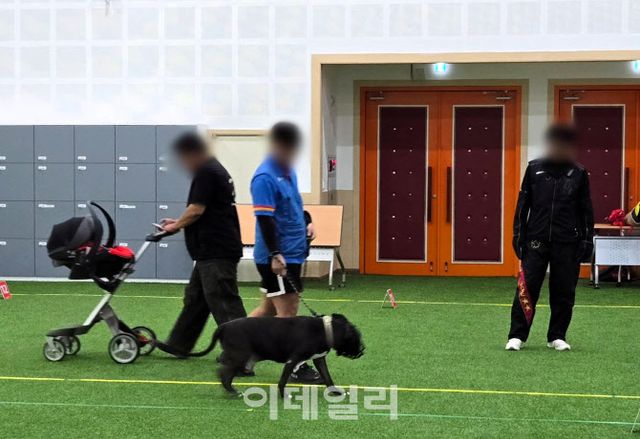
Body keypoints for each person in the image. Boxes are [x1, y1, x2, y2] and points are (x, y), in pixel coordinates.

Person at [156, 132, 247, 358]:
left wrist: (175, 226)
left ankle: (242, 353)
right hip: (210, 250)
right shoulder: (214, 169)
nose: (183, 164)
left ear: (193, 154)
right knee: (196, 299)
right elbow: (205, 209)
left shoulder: (207, 172)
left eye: (184, 158)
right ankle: (179, 344)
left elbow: (196, 210)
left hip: (216, 249)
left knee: (224, 301)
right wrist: (178, 221)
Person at [506, 123, 594, 352]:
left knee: (564, 289)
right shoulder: (534, 169)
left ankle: (557, 336)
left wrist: (587, 241)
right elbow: (522, 206)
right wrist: (518, 234)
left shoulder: (578, 173)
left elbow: (586, 210)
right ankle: (517, 335)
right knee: (527, 287)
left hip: (568, 241)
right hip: (536, 239)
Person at [247, 121, 322, 384]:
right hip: (279, 258)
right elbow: (265, 220)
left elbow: (293, 207)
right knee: (288, 314)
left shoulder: (288, 172)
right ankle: (297, 367)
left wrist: (307, 221)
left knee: (267, 310)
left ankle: (238, 353)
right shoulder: (265, 178)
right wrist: (275, 254)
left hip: (293, 252)